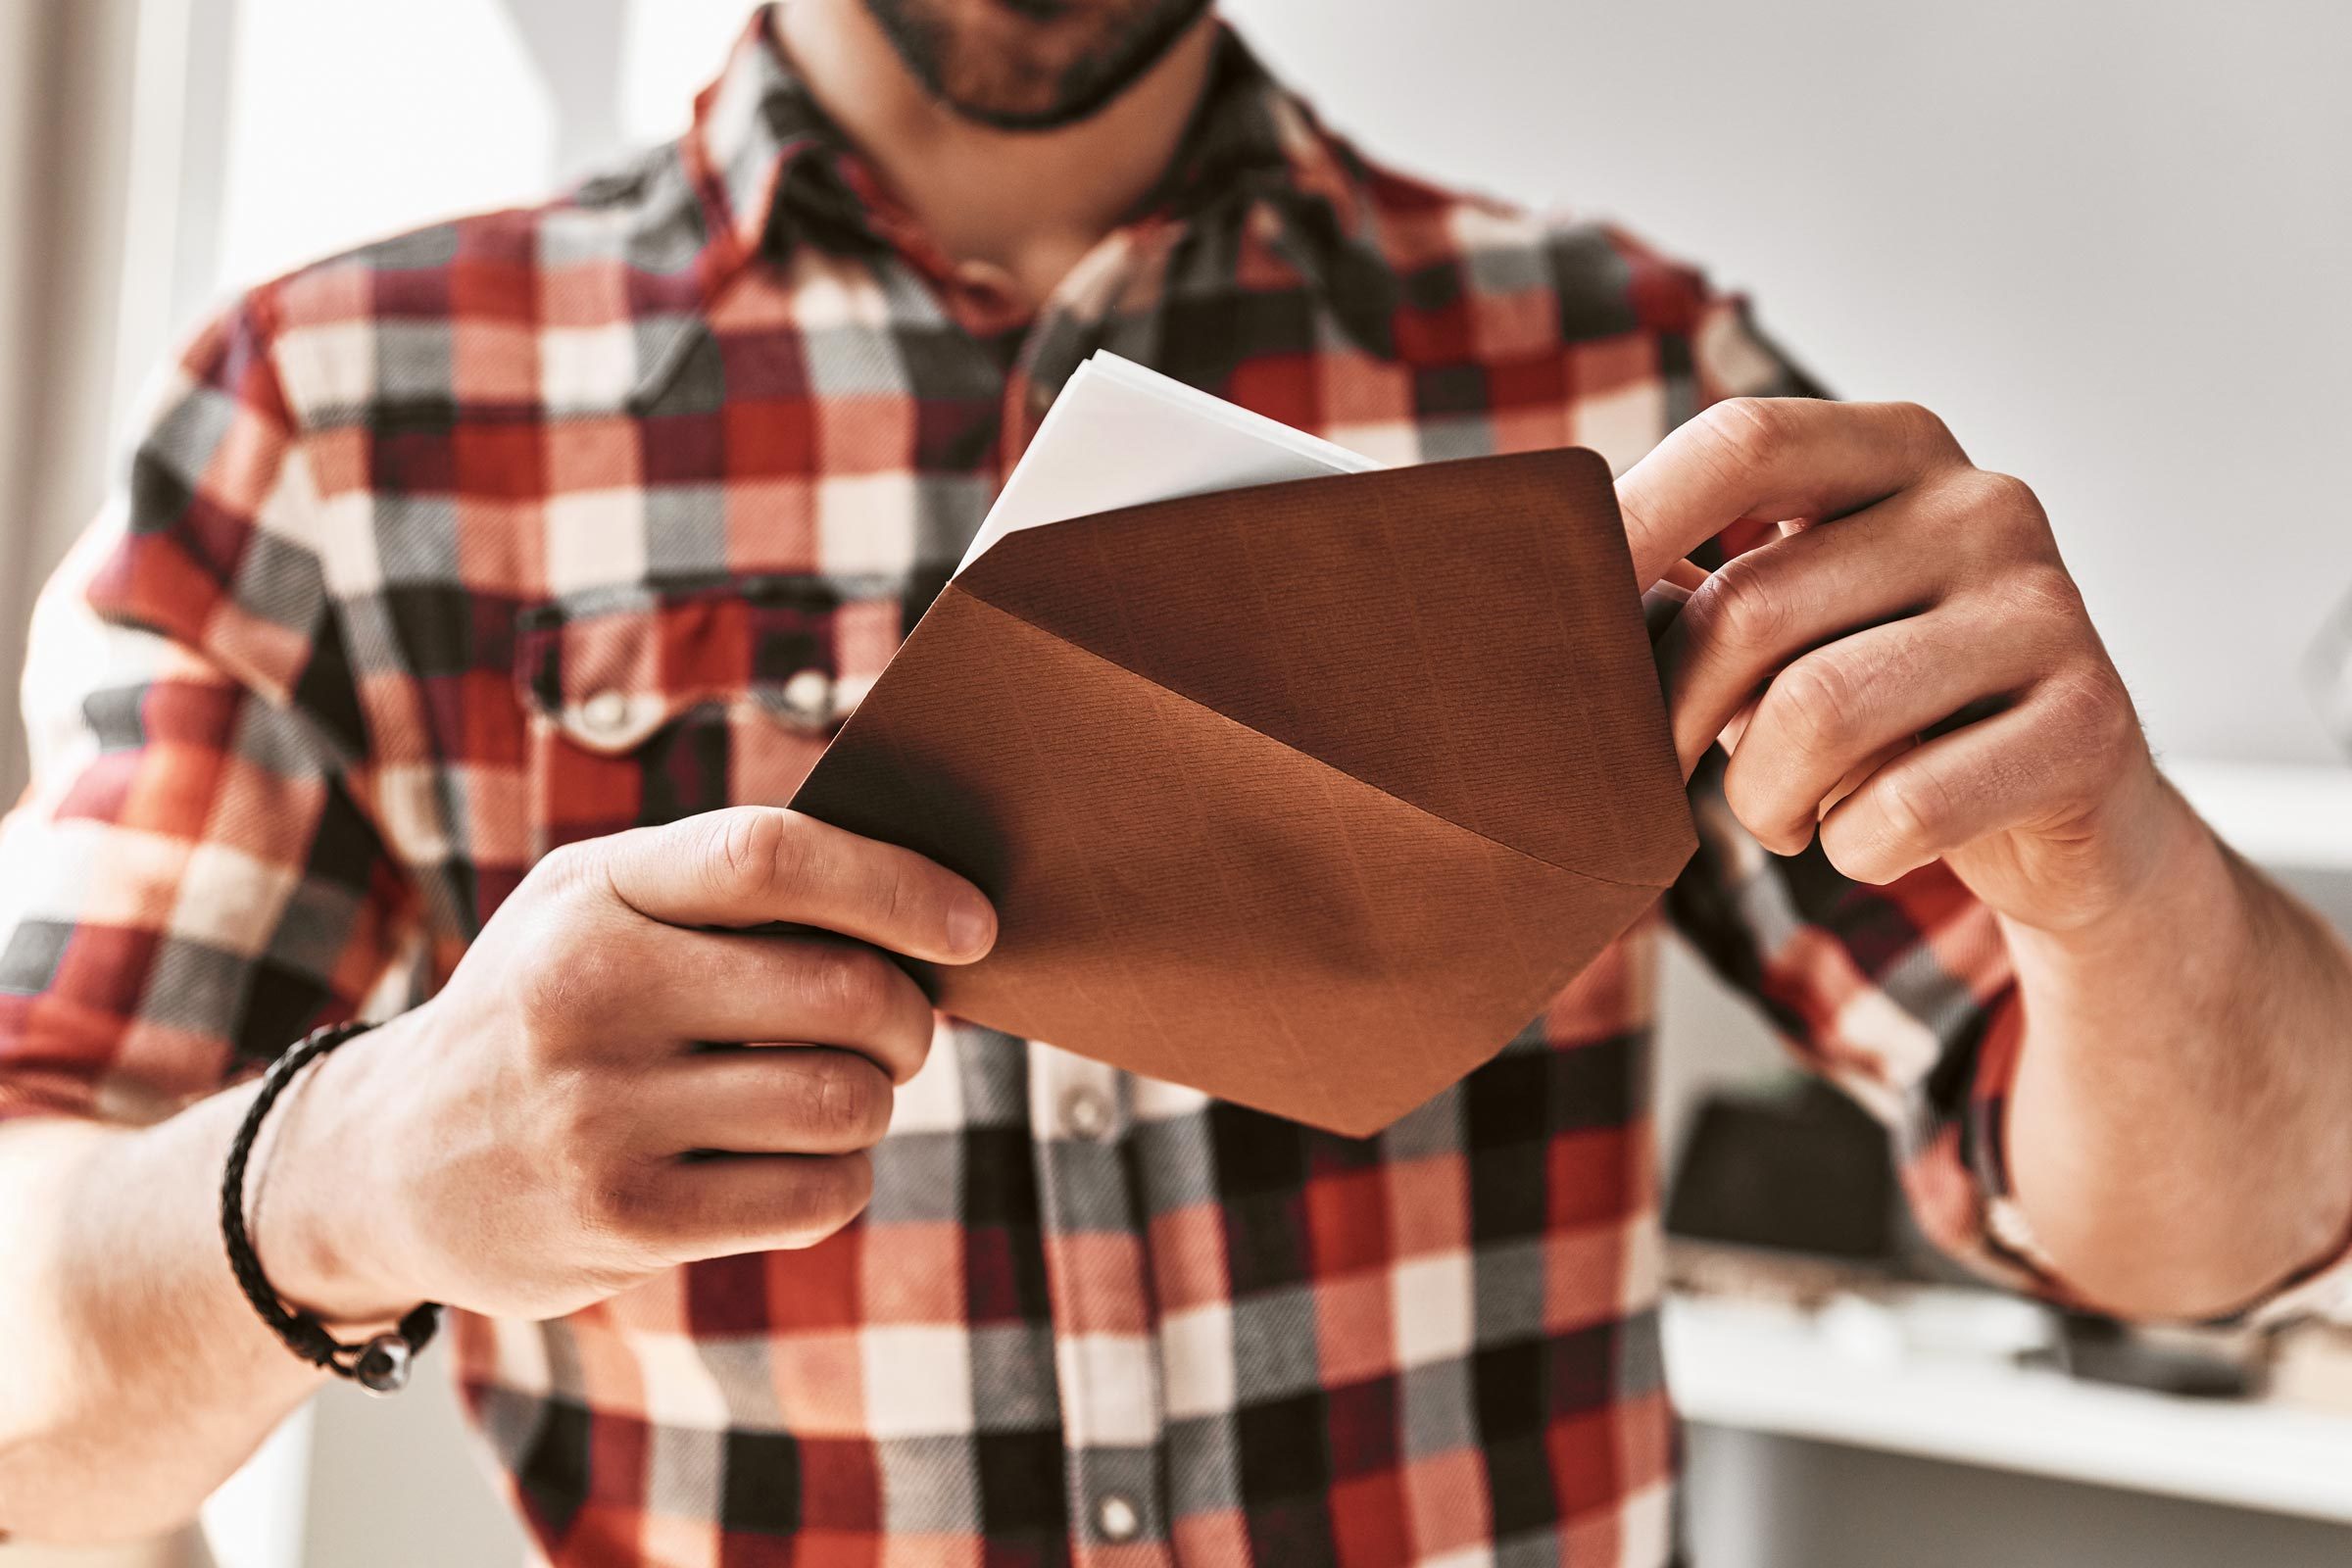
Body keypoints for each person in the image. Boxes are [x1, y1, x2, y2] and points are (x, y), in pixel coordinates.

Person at [2, 1, 2348, 1560]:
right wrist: (356, 1170)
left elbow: (2207, 1238)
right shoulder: (337, 412)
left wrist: (2113, 874)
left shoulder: (1623, 362)